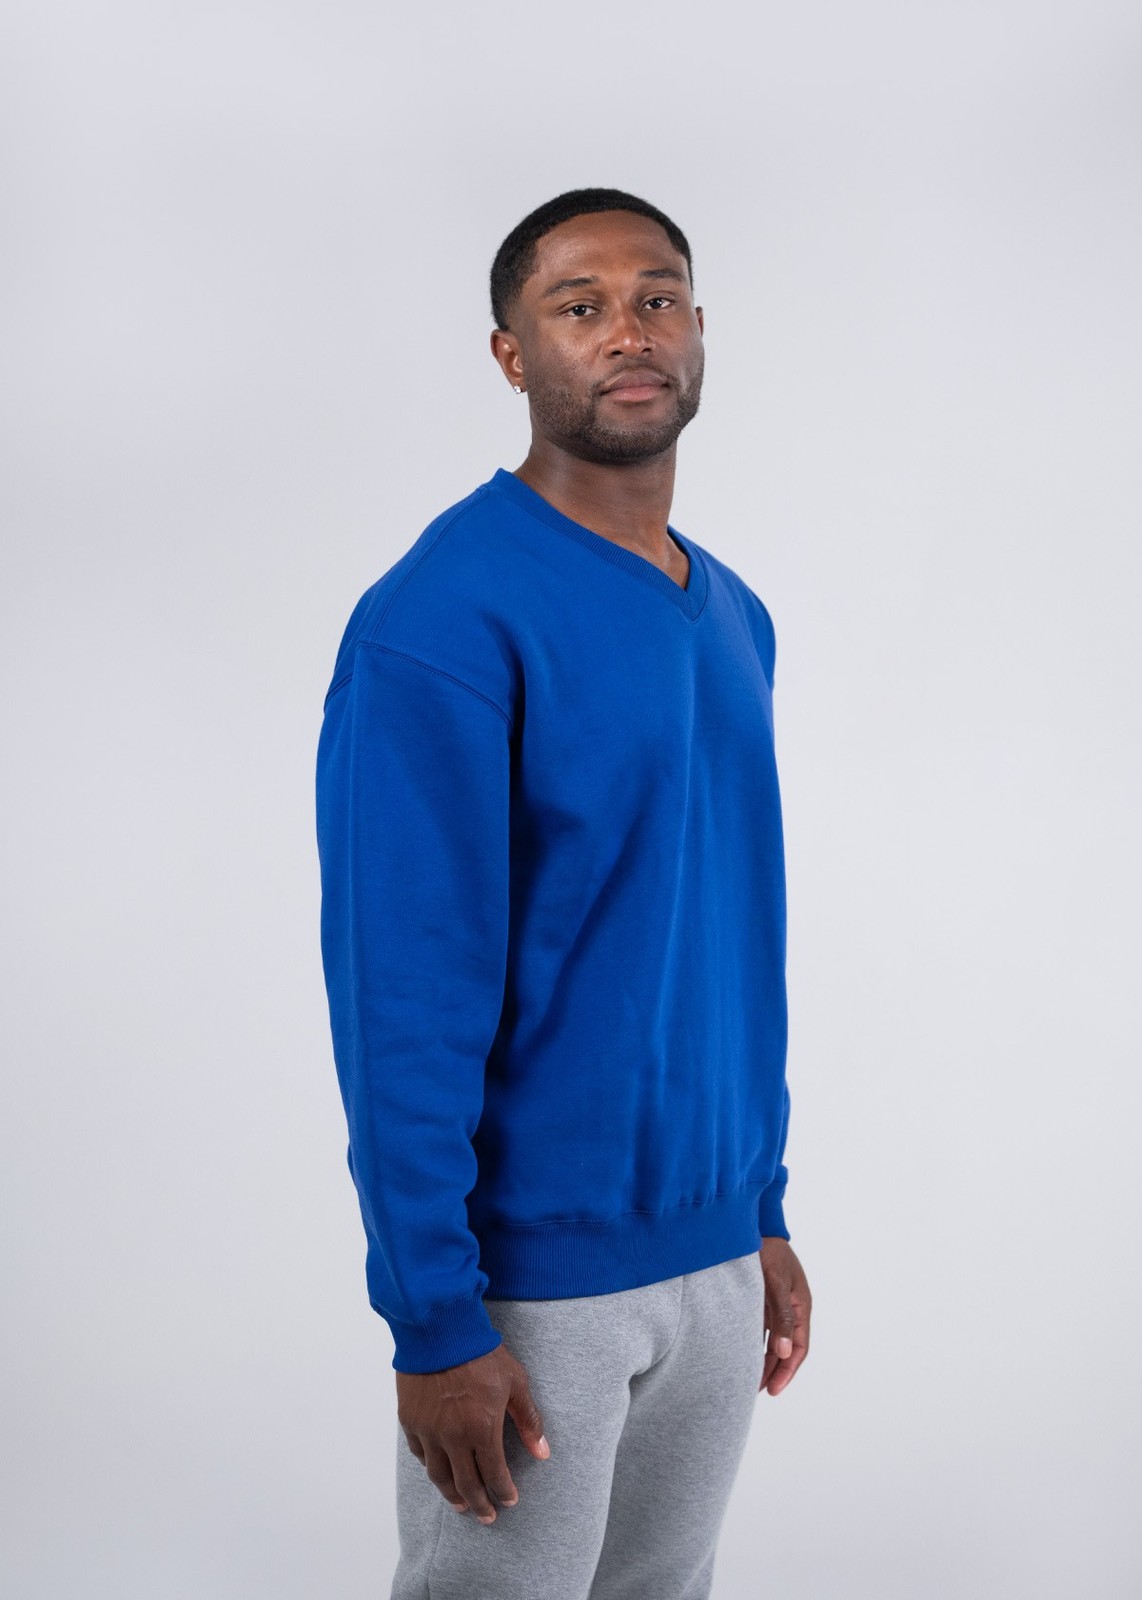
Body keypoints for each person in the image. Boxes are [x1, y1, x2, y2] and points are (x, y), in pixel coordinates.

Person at [315, 186, 813, 1600]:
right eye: (578, 306)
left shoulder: (733, 614)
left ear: (700, 330)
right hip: (530, 1280)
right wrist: (434, 1316)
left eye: (656, 299)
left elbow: (724, 936)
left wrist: (759, 1209)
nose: (628, 332)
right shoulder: (442, 618)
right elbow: (402, 986)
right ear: (511, 355)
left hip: (712, 1252)